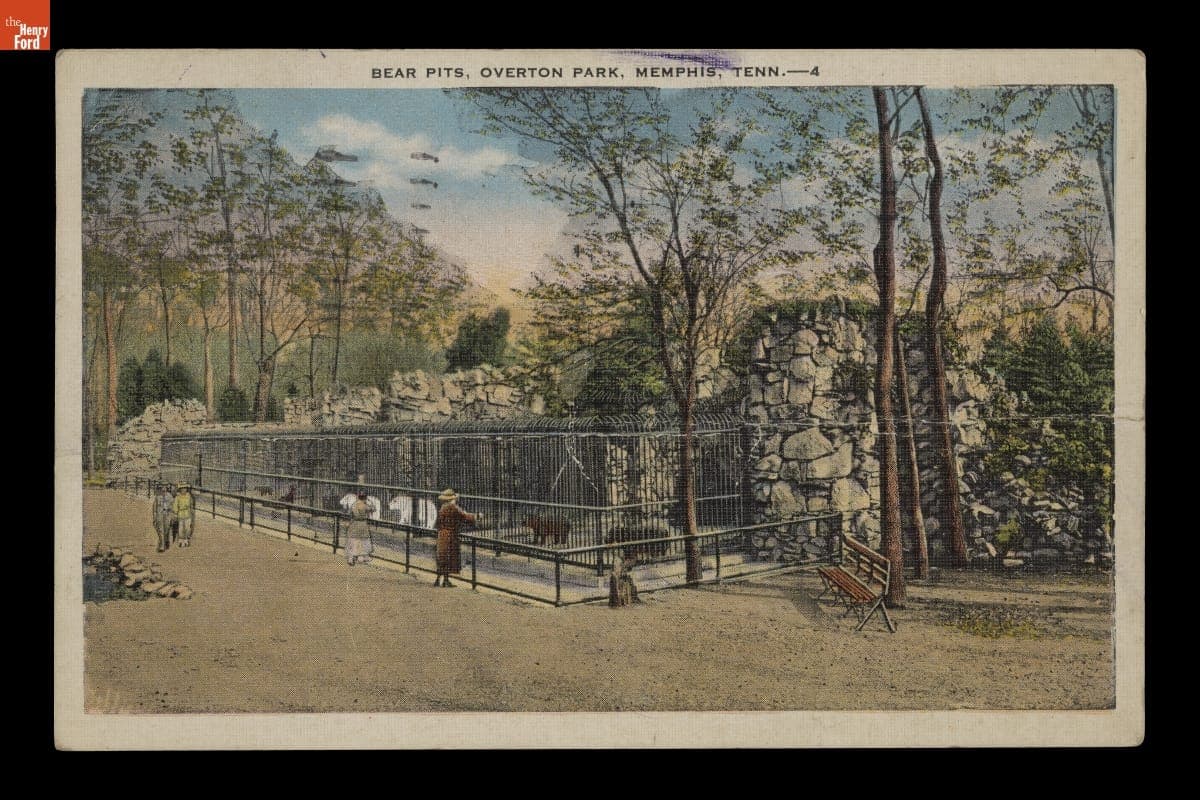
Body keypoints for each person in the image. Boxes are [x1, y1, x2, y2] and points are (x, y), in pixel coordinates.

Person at [433, 488, 477, 588]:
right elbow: (465, 516)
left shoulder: (442, 507)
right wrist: (476, 516)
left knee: (442, 558)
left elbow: (438, 522)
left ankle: (440, 580)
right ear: (452, 499)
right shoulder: (453, 507)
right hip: (451, 536)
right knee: (449, 558)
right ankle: (445, 581)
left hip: (442, 535)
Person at [344, 491, 374, 566]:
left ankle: (351, 558)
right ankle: (362, 557)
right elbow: (373, 509)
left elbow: (349, 513)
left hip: (354, 524)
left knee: (353, 540)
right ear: (365, 498)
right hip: (363, 524)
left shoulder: (354, 505)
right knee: (363, 540)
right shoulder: (365, 506)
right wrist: (369, 502)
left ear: (358, 497)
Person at [173, 483, 196, 548]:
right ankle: (181, 540)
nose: (184, 490)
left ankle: (186, 540)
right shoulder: (178, 497)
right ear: (180, 490)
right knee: (180, 528)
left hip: (187, 514)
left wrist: (192, 512)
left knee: (187, 528)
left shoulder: (189, 496)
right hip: (180, 514)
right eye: (182, 489)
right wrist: (175, 513)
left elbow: (191, 505)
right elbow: (175, 505)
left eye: (185, 488)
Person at [153, 484, 174, 553]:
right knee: (160, 530)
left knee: (167, 529)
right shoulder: (157, 497)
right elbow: (154, 509)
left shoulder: (170, 497)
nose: (163, 489)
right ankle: (162, 545)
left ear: (167, 488)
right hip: (160, 515)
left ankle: (166, 540)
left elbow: (173, 508)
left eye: (165, 487)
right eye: (162, 487)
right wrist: (155, 517)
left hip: (167, 514)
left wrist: (172, 516)